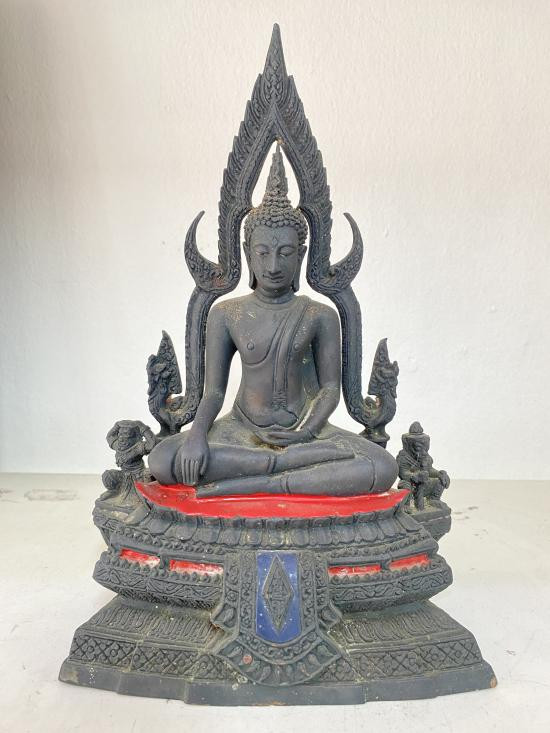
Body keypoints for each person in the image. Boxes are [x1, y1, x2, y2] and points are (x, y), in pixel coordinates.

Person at [149, 147, 397, 496]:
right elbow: (214, 392)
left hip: (307, 434)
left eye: (286, 253)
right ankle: (280, 470)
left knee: (383, 467)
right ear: (247, 253)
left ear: (302, 255)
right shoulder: (226, 313)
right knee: (162, 459)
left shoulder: (320, 315)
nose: (274, 265)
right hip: (240, 430)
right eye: (263, 253)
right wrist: (197, 435)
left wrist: (306, 432)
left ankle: (265, 479)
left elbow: (329, 389)